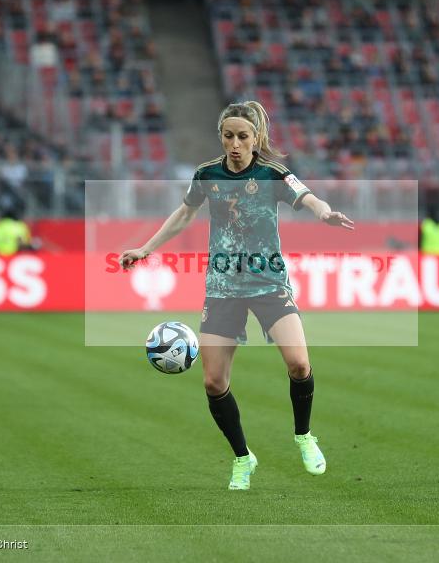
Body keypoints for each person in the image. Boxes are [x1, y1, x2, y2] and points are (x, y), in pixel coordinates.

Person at [119, 101, 354, 490]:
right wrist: (146, 248)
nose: (235, 143)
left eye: (243, 136)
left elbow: (308, 196)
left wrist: (323, 213)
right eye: (228, 135)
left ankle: (304, 436)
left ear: (257, 137)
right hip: (223, 288)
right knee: (213, 382)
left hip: (270, 285)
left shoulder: (272, 173)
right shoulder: (207, 174)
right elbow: (184, 213)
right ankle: (243, 458)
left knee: (298, 363)